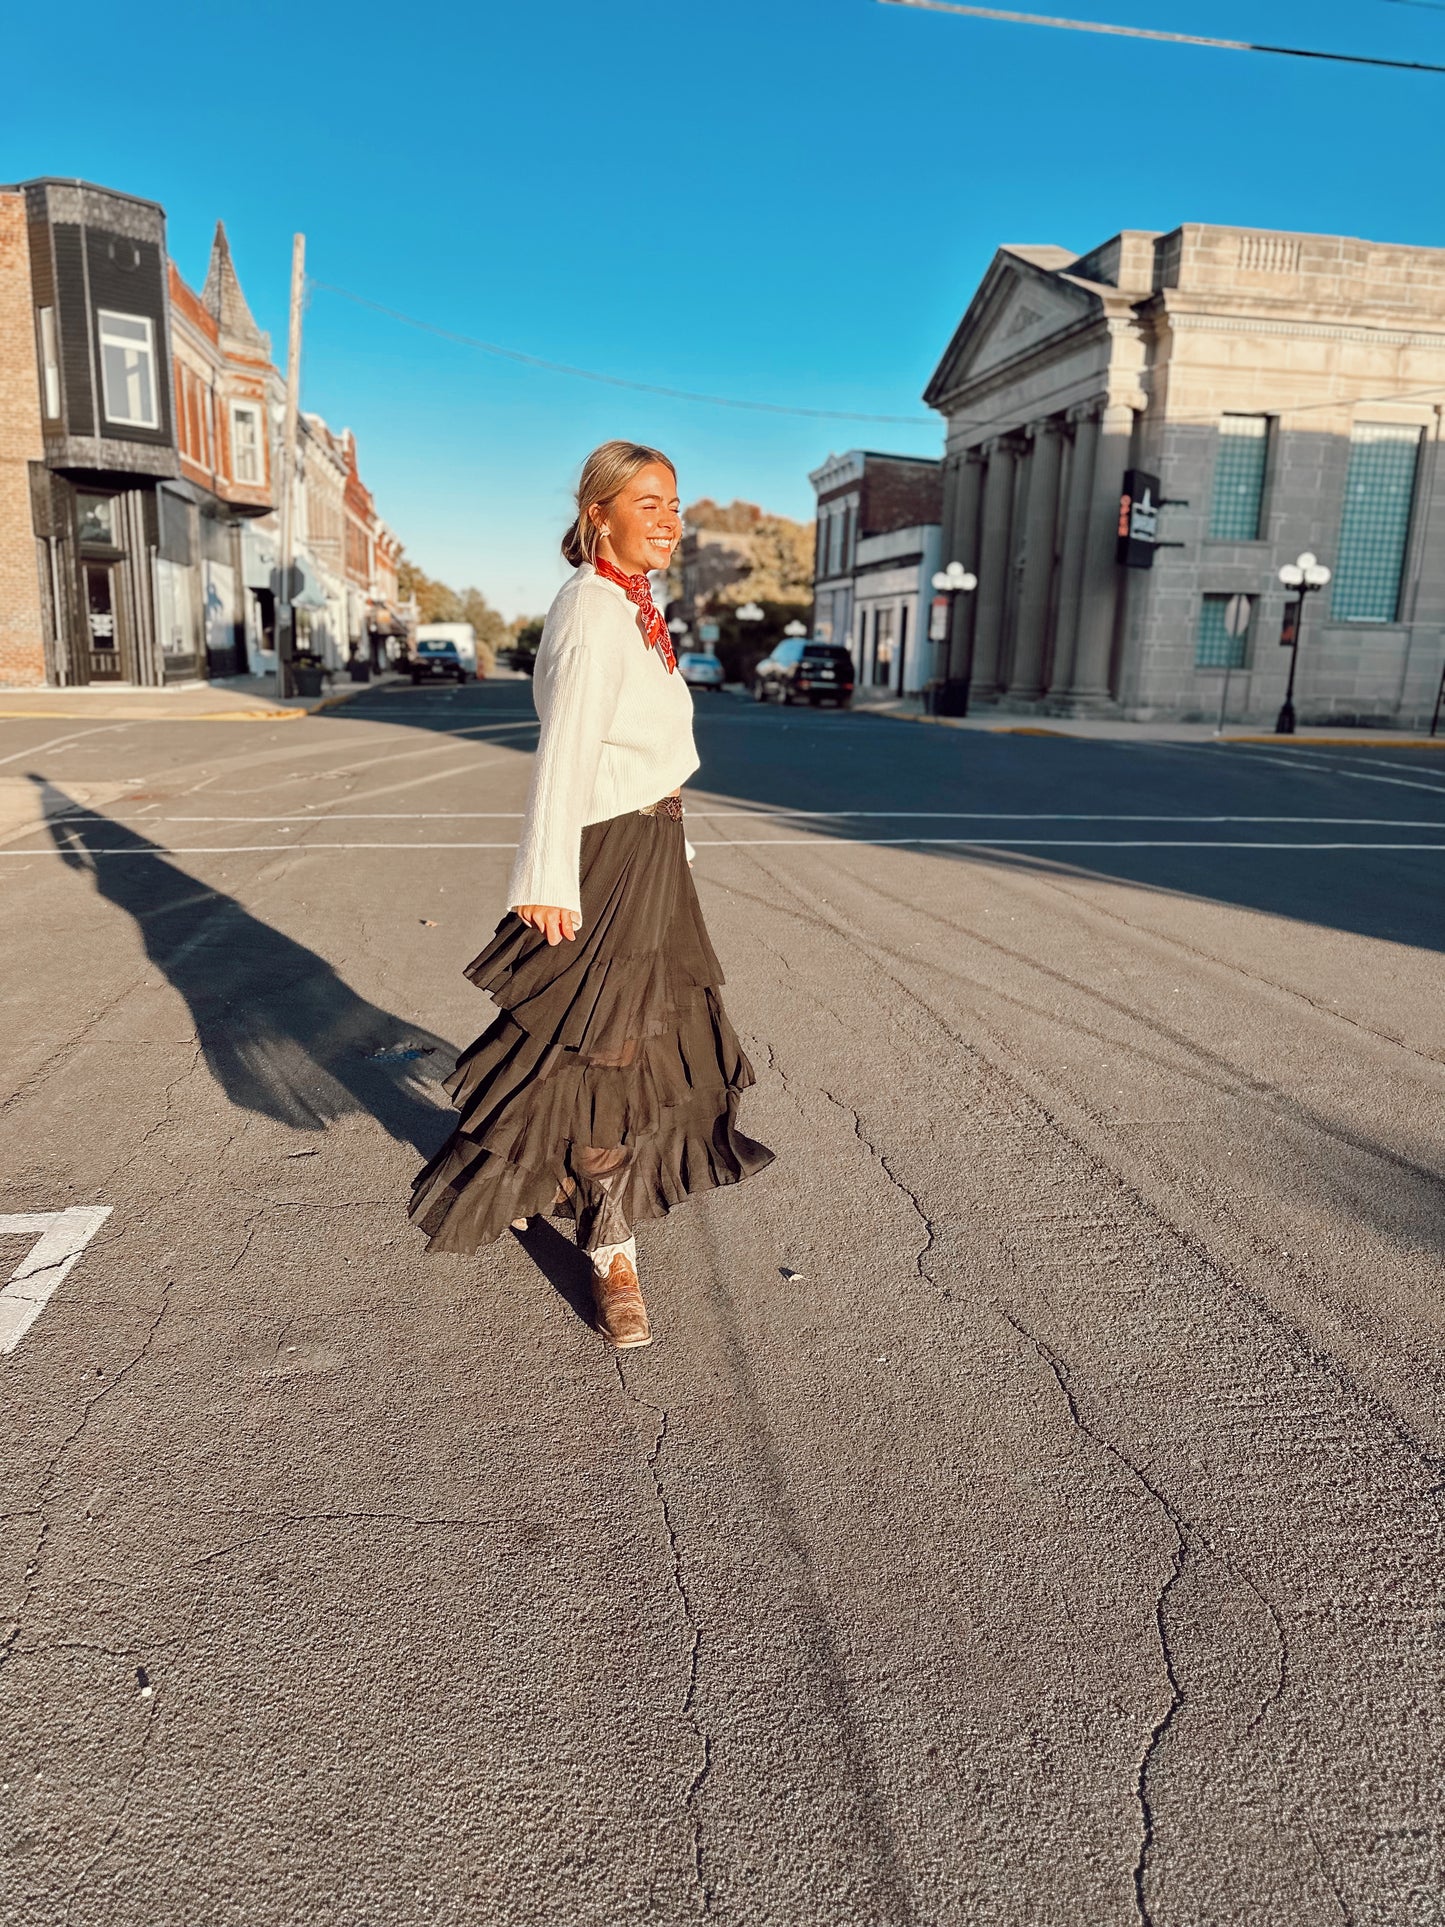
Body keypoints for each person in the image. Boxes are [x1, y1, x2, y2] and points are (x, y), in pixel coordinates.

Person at [409, 441, 774, 1348]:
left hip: (648, 850)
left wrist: (671, 856)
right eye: (646, 501)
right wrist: (545, 875)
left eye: (675, 504)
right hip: (605, 857)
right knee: (598, 1052)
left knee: (639, 1047)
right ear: (597, 514)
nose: (668, 518)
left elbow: (634, 753)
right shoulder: (592, 608)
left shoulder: (633, 608)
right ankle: (610, 1247)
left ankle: (585, 1206)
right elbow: (565, 746)